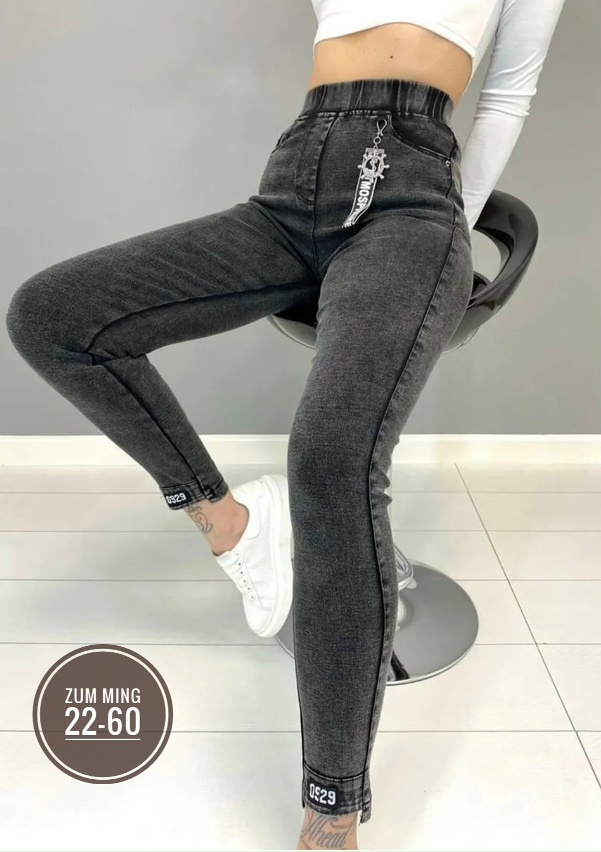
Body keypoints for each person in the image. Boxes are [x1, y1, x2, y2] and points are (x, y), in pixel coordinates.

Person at [5, 1, 566, 848]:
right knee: (52, 315)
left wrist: (449, 218)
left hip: (412, 200)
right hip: (294, 181)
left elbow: (508, 95)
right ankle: (231, 523)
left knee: (332, 459)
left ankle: (330, 809)